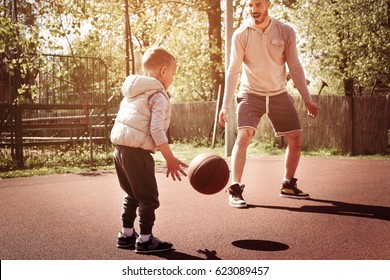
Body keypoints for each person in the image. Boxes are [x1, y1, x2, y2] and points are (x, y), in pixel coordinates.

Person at [219, 0, 320, 208]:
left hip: (278, 94)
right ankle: (235, 188)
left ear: (268, 4)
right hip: (250, 94)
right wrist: (225, 105)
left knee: (296, 139)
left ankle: (288, 184)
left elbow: (295, 66)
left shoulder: (285, 31)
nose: (253, 10)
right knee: (244, 135)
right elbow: (233, 70)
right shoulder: (241, 34)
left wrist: (307, 99)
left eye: (258, 4)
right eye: (249, 5)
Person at [110, 46, 187, 253]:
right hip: (137, 153)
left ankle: (126, 235)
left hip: (120, 150)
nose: (172, 77)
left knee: (132, 194)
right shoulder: (158, 95)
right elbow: (156, 130)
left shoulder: (133, 93)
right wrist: (170, 159)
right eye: (173, 73)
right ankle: (145, 240)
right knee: (149, 197)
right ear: (163, 71)